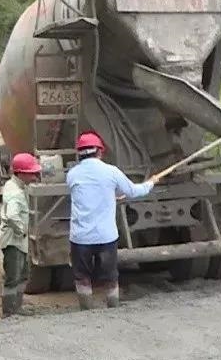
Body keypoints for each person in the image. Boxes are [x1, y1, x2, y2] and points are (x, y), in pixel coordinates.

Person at [66, 131, 157, 310]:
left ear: (79, 153)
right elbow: (133, 191)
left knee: (82, 276)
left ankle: (86, 310)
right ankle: (113, 308)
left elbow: (85, 194)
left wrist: (109, 195)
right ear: (100, 151)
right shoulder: (111, 172)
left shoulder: (72, 174)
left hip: (80, 237)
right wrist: (151, 183)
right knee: (110, 276)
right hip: (106, 236)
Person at [0, 153, 41, 317]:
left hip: (17, 242)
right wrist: (22, 230)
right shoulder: (15, 193)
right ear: (21, 173)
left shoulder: (15, 186)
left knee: (22, 275)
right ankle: (9, 312)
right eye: (31, 173)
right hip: (13, 242)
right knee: (13, 278)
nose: (34, 176)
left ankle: (17, 308)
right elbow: (12, 215)